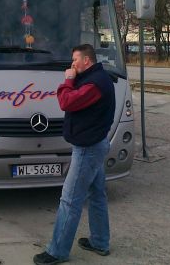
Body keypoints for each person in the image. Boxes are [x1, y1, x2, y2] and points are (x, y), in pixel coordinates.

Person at [33, 44, 115, 265]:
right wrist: (73, 78)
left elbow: (66, 101)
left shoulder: (95, 84)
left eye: (75, 60)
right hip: (94, 144)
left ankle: (57, 251)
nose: (72, 65)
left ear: (87, 60)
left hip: (88, 149)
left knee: (70, 200)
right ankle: (100, 242)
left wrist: (68, 79)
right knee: (97, 195)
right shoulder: (93, 78)